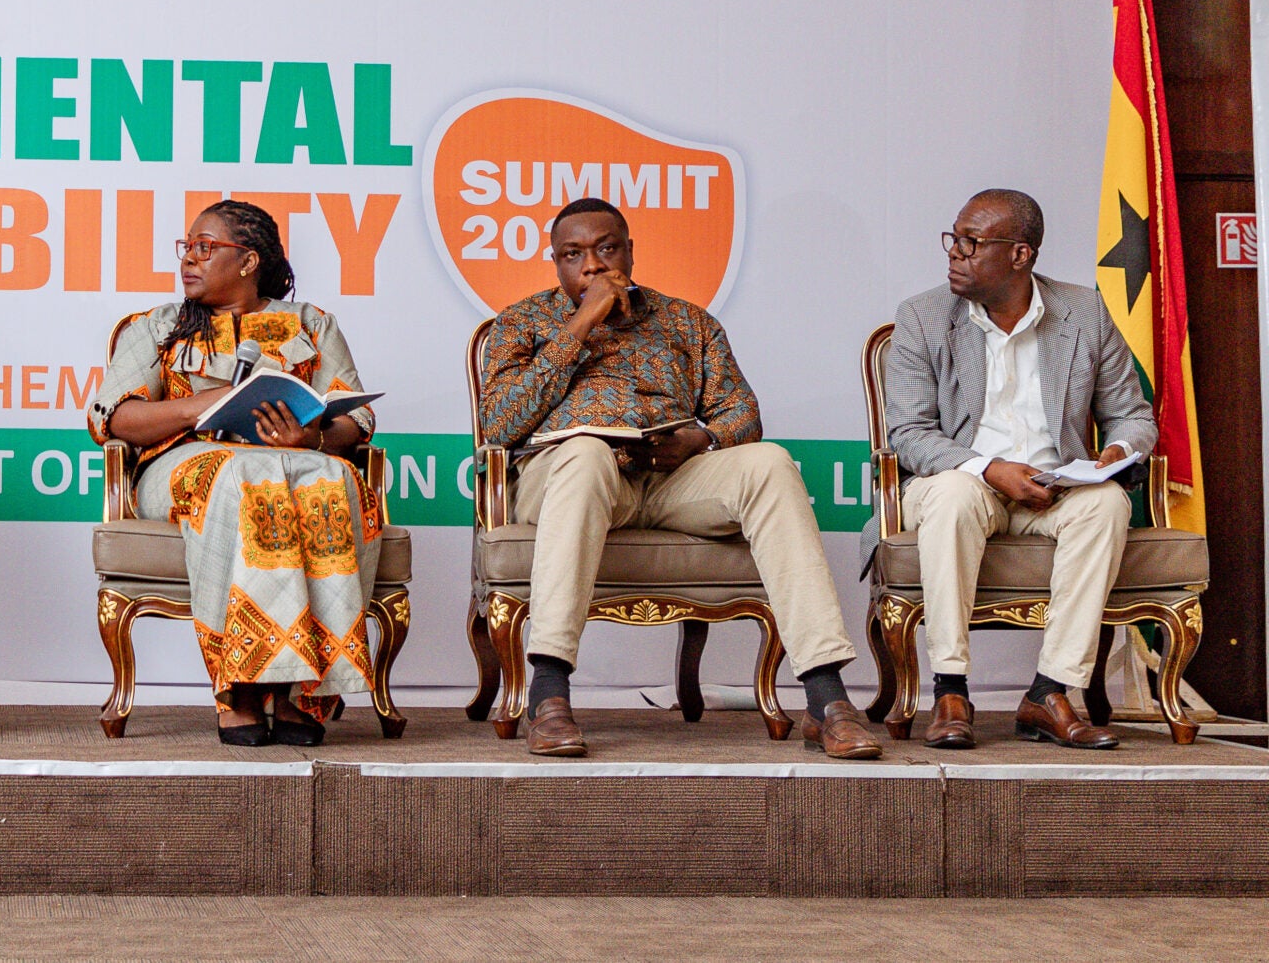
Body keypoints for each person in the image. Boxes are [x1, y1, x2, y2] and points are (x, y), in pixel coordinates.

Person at [480, 196, 880, 759]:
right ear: (556, 263)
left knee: (769, 462)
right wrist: (582, 322)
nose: (591, 265)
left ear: (631, 252)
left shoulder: (687, 322)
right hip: (571, 478)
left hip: (667, 480)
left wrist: (700, 438)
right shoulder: (522, 322)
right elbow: (499, 423)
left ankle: (825, 696)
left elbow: (741, 411)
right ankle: (548, 695)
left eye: (606, 249)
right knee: (587, 452)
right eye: (574, 255)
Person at [88, 200, 382, 747]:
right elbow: (112, 417)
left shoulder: (310, 324)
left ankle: (303, 688)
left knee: (334, 479)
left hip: (291, 457)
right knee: (243, 478)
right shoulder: (161, 326)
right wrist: (203, 405)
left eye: (205, 247)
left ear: (248, 261)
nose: (189, 260)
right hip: (184, 465)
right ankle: (241, 686)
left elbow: (357, 417)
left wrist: (313, 436)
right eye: (188, 248)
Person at [883, 189, 1152, 750]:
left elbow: (1131, 414)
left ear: (1020, 255)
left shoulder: (1083, 311)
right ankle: (951, 689)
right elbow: (908, 435)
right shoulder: (923, 317)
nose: (954, 252)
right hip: (959, 482)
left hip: (1055, 490)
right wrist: (989, 469)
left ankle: (1050, 693)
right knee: (956, 494)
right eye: (953, 238)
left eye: (971, 243)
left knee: (1107, 504)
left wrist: (1119, 452)